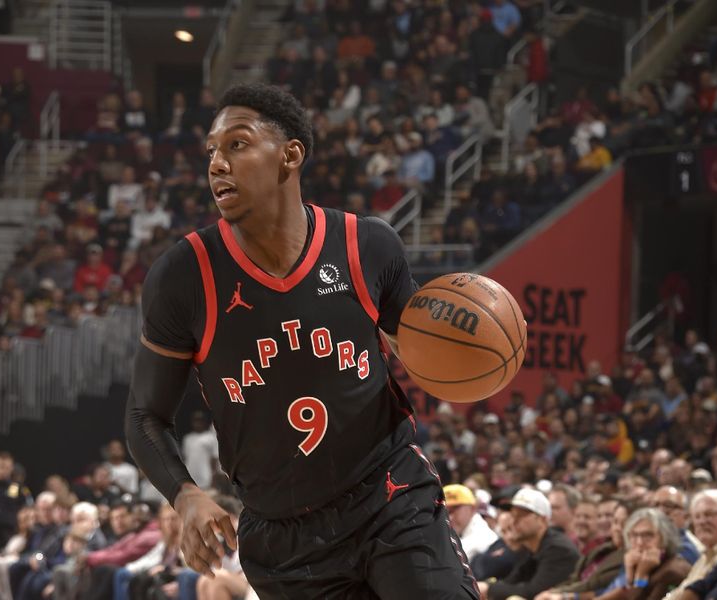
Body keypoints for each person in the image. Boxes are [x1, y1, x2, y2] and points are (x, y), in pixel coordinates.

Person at [125, 82, 479, 599]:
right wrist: (185, 497)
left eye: (237, 144)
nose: (217, 164)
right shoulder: (184, 276)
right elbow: (143, 415)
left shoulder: (368, 245)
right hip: (283, 538)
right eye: (212, 151)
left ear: (290, 155)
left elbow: (420, 349)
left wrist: (460, 351)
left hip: (388, 496)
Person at [478, 488, 581, 599]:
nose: (514, 521)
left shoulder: (559, 549)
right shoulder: (529, 546)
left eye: (521, 515)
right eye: (513, 514)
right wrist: (487, 586)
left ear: (542, 520)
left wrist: (489, 588)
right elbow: (511, 581)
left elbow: (534, 592)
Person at [444, 484, 499, 562]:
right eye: (446, 511)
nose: (450, 517)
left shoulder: (484, 538)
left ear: (473, 508)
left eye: (454, 510)